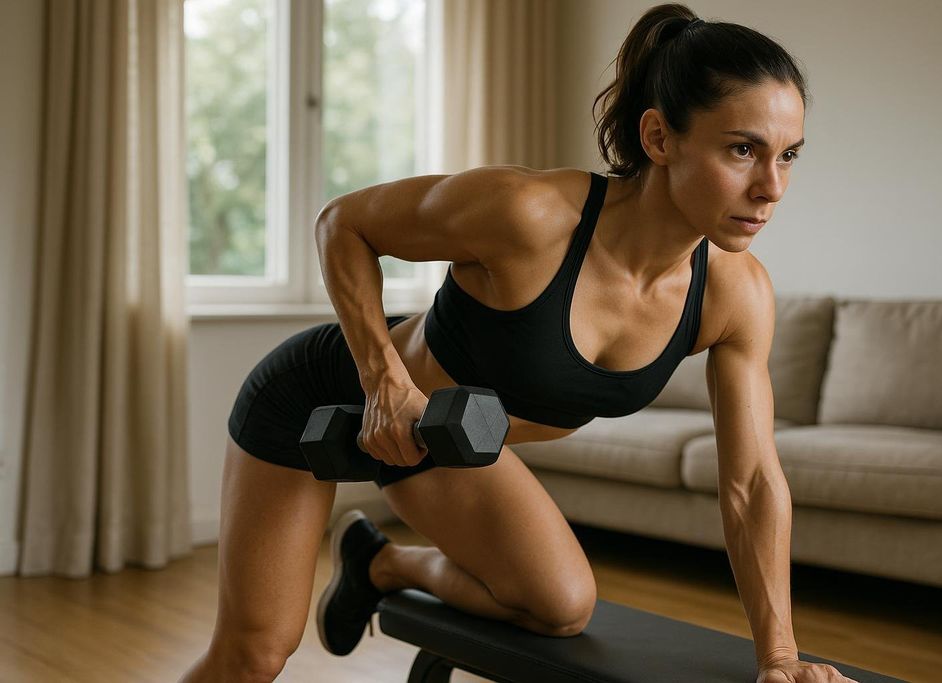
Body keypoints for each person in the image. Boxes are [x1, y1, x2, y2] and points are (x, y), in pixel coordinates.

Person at [182, 4, 859, 682]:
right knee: (255, 654)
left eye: (788, 155)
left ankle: (380, 562)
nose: (771, 187)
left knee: (562, 604)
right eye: (742, 149)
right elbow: (344, 226)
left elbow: (751, 481)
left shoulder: (734, 294)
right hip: (323, 397)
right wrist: (382, 379)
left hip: (444, 447)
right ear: (659, 137)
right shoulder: (531, 217)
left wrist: (778, 656)